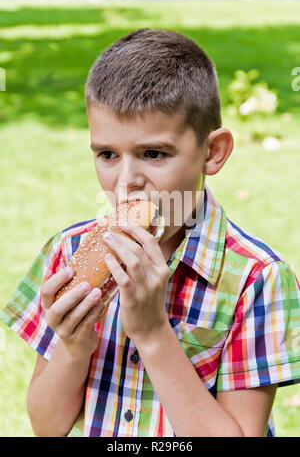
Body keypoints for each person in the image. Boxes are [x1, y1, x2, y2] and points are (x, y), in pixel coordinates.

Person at [1, 28, 300, 438]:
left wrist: (153, 332)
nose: (126, 182)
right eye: (107, 154)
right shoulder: (69, 254)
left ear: (212, 152)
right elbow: (47, 425)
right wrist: (73, 347)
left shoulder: (257, 281)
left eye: (153, 154)